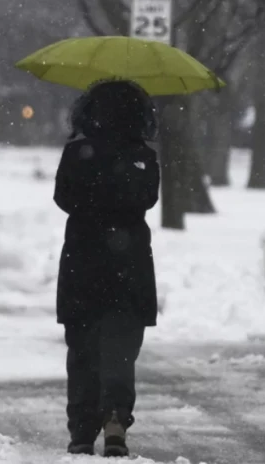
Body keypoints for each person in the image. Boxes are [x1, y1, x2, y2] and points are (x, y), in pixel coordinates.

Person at [53, 80, 160, 457]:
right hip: (129, 264)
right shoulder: (143, 157)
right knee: (121, 350)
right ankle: (115, 416)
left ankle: (81, 429)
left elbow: (62, 198)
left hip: (83, 260)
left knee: (82, 348)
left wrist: (91, 204)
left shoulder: (77, 152)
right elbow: (147, 199)